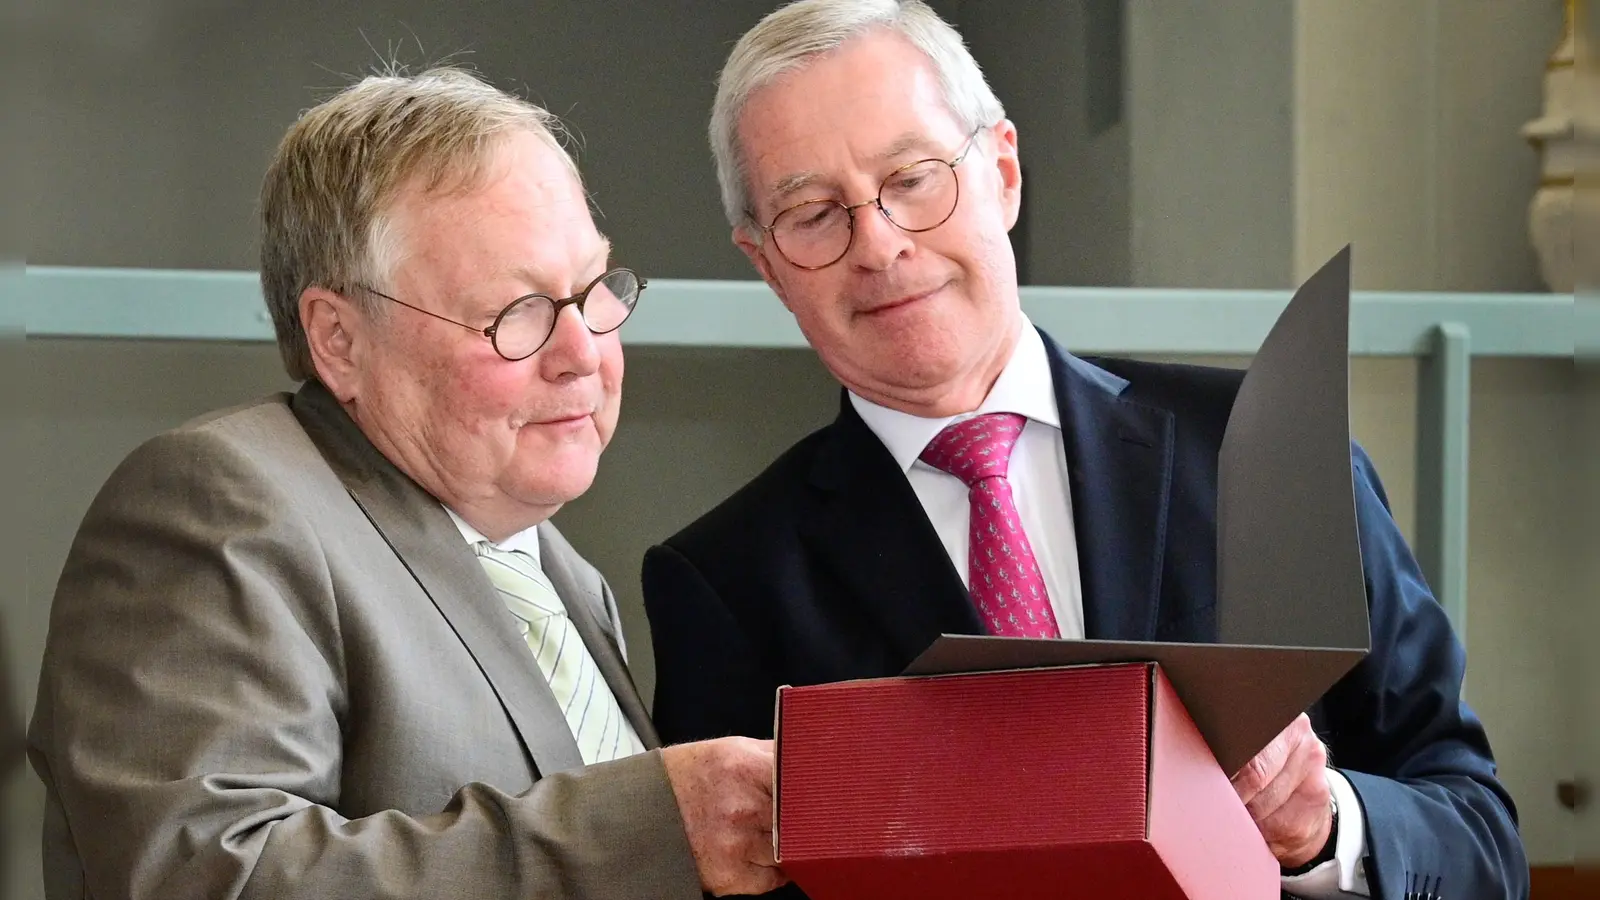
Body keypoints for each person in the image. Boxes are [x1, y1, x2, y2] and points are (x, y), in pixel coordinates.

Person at [641, 2, 1527, 899]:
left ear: (1003, 173)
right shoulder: (724, 581)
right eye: (813, 213)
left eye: (912, 178)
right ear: (766, 265)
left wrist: (1324, 826)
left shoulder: (1266, 454)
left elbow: (1480, 839)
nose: (878, 243)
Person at [27, 67, 785, 900]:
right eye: (519, 311)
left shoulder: (553, 571)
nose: (583, 353)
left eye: (592, 290)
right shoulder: (216, 507)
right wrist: (646, 827)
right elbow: (212, 879)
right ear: (340, 340)